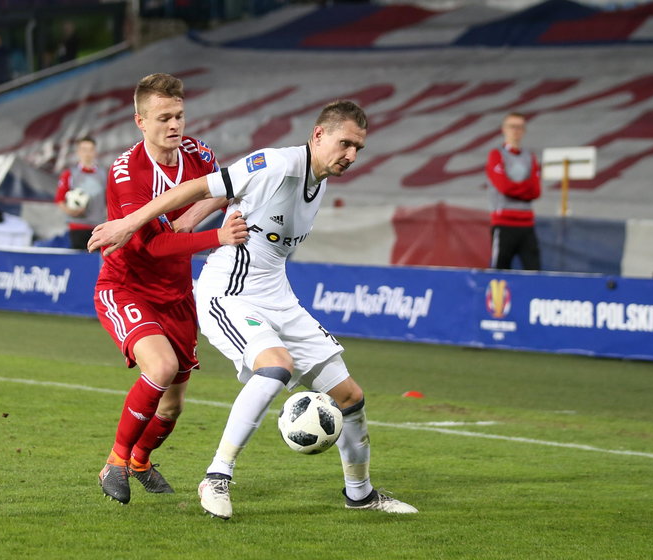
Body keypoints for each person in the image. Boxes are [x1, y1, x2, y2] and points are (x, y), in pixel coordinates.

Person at [87, 100, 417, 518]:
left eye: (358, 149)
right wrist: (132, 223)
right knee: (274, 367)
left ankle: (361, 494)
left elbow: (226, 192)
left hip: (278, 295)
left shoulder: (319, 179)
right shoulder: (278, 164)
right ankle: (217, 477)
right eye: (345, 143)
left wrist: (189, 221)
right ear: (318, 135)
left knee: (350, 397)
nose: (350, 155)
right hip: (229, 291)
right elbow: (203, 185)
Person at [94, 73, 248, 505]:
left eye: (179, 115)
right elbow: (155, 244)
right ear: (140, 121)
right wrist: (216, 237)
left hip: (178, 296)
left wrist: (195, 216)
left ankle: (141, 460)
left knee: (171, 406)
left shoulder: (197, 153)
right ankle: (116, 461)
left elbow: (225, 188)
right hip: (127, 287)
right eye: (164, 118)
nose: (174, 125)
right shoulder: (128, 173)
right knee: (159, 368)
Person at [486, 111, 542, 270]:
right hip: (503, 223)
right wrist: (524, 190)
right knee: (499, 272)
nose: (516, 130)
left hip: (526, 224)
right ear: (504, 129)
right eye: (512, 127)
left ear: (524, 130)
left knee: (534, 271)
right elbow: (503, 187)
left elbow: (536, 191)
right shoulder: (496, 155)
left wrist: (514, 188)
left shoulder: (530, 157)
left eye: (519, 127)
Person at [54, 137, 108, 250]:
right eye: (84, 149)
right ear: (78, 152)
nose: (87, 153)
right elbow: (59, 199)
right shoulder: (69, 174)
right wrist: (70, 211)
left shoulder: (104, 174)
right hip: (77, 227)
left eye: (90, 149)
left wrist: (107, 217)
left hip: (98, 227)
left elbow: (110, 200)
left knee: (97, 262)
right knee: (79, 262)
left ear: (95, 152)